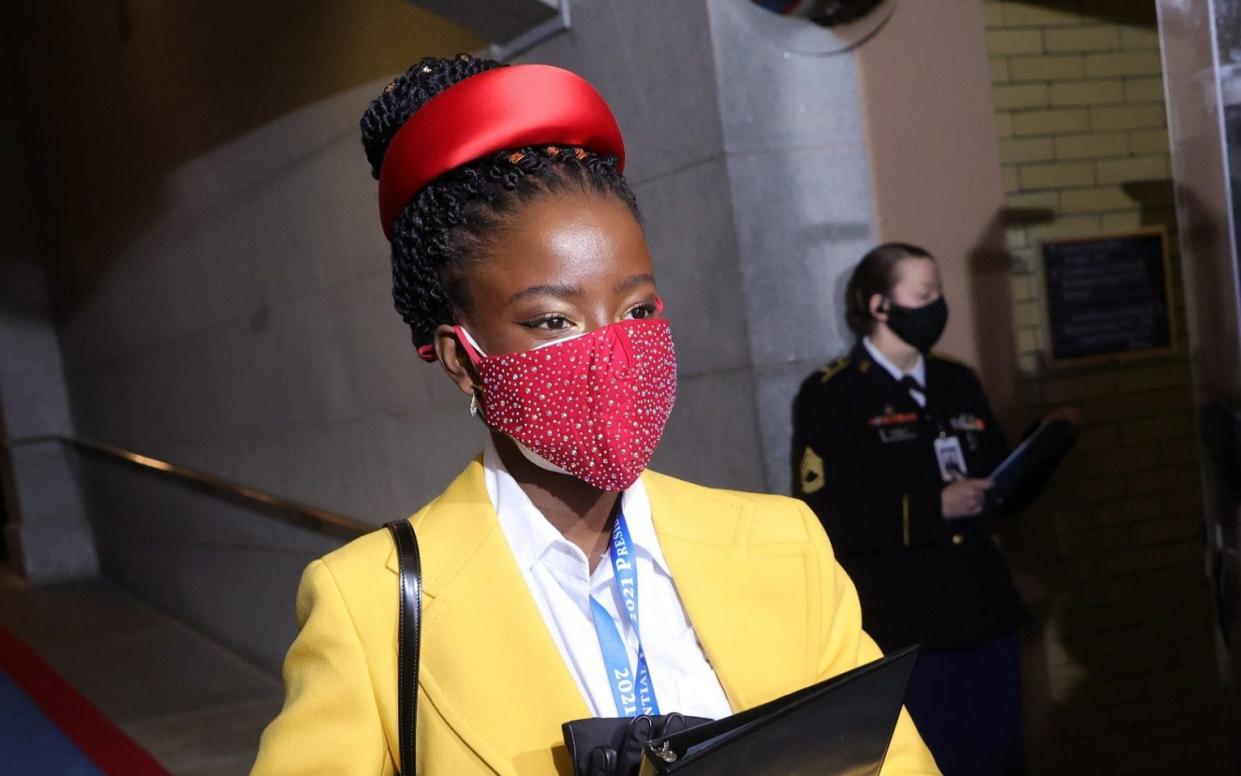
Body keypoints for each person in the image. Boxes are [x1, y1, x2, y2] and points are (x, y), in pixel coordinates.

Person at [250, 57, 938, 775]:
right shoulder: (371, 606)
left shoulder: (780, 545)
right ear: (462, 359)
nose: (611, 350)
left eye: (638, 310)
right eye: (552, 320)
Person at [792, 243, 1031, 776]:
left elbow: (999, 476)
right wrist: (932, 508)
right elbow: (827, 518)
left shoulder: (956, 380)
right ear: (879, 305)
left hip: (984, 609)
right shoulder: (833, 395)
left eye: (939, 292)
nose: (937, 305)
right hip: (906, 625)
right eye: (925, 295)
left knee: (1001, 760)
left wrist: (1042, 450)